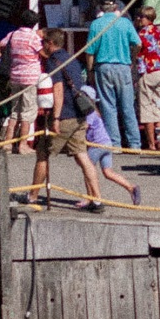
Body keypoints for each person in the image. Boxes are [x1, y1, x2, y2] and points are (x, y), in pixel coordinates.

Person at [30, 48, 105, 208]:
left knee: (43, 154)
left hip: (64, 116)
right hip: (79, 115)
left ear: (50, 43)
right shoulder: (73, 59)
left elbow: (58, 90)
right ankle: (97, 199)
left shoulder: (53, 61)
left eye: (44, 43)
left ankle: (32, 196)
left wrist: (56, 118)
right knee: (82, 156)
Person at [85, 0, 141, 150]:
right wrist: (132, 58)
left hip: (103, 66)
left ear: (101, 8)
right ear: (116, 7)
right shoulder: (125, 23)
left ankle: (114, 143)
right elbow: (138, 44)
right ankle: (134, 144)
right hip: (123, 66)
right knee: (128, 106)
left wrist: (90, 71)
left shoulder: (96, 24)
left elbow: (89, 52)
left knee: (108, 107)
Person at [0, 9, 46, 151]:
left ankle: (8, 143)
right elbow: (43, 53)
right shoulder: (33, 37)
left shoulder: (13, 34)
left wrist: (9, 59)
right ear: (34, 23)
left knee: (15, 110)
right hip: (30, 78)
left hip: (15, 76)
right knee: (27, 112)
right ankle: (23, 144)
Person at [81, 104, 143, 205]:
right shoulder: (96, 113)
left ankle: (91, 198)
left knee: (88, 170)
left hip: (97, 145)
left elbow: (84, 127)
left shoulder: (89, 114)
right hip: (107, 143)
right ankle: (131, 187)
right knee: (108, 172)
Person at [135, 7, 160, 150]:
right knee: (158, 107)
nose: (139, 19)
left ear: (147, 18)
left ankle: (151, 144)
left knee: (146, 107)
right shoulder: (158, 32)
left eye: (141, 17)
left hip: (148, 71)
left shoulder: (142, 33)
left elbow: (138, 49)